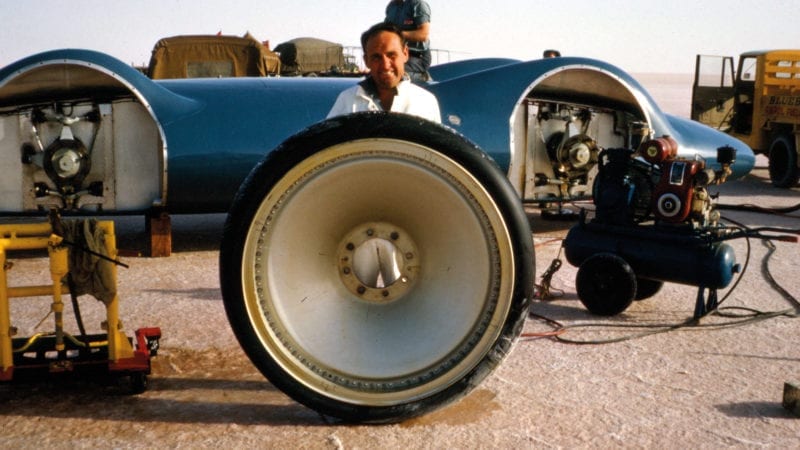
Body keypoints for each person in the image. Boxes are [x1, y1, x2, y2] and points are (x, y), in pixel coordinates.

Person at [327, 22, 441, 123]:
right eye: (376, 57)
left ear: (405, 54)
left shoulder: (426, 102)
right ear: (366, 61)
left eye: (392, 55)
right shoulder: (348, 100)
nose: (385, 65)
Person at [384, 0, 432, 82]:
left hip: (417, 56)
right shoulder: (391, 6)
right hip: (398, 54)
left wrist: (396, 35)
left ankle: (421, 77)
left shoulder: (418, 4)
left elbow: (423, 34)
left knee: (393, 75)